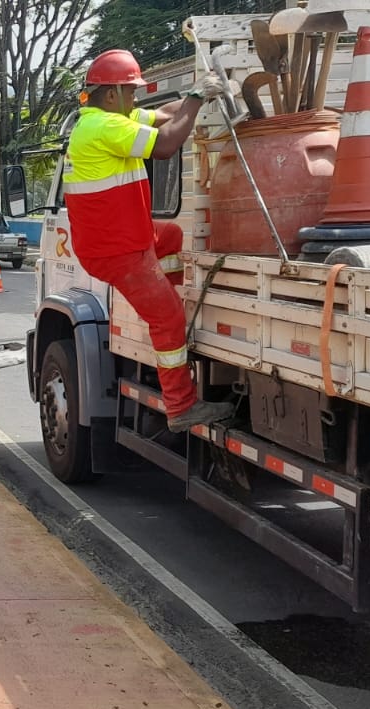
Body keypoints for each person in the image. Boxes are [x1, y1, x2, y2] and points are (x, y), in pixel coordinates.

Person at [63, 49, 233, 432]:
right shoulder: (106, 128)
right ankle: (181, 407)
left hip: (122, 240)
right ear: (112, 95)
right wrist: (197, 98)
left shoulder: (104, 117)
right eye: (132, 91)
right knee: (168, 317)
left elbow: (165, 115)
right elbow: (167, 144)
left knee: (170, 235)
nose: (137, 98)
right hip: (120, 250)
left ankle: (165, 298)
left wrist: (194, 93)